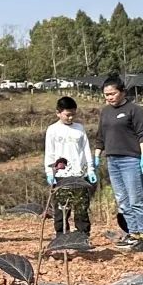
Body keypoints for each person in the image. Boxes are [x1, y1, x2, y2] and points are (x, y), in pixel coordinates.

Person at [94, 75, 143, 252]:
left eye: (112, 93)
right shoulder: (105, 112)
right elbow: (100, 136)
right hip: (113, 160)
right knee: (123, 200)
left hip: (130, 159)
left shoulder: (134, 110)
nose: (109, 97)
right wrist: (96, 156)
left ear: (122, 92)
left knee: (136, 199)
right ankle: (133, 233)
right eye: (106, 94)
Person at [44, 97, 96, 236]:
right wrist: (50, 172)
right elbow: (49, 152)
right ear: (58, 113)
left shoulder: (79, 129)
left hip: (79, 174)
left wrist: (90, 169)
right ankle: (61, 237)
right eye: (67, 114)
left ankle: (83, 237)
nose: (70, 117)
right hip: (62, 176)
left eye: (73, 114)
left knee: (81, 208)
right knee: (61, 209)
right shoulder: (53, 130)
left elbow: (86, 150)